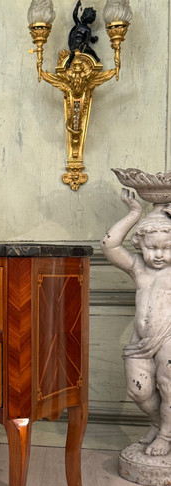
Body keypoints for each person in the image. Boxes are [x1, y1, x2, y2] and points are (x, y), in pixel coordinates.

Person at [101, 188, 171, 456]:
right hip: (139, 341)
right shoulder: (139, 268)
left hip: (168, 337)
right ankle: (158, 422)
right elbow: (109, 245)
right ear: (140, 246)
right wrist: (134, 213)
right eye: (152, 247)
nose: (158, 255)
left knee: (168, 387)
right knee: (137, 391)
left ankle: (165, 434)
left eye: (166, 248)